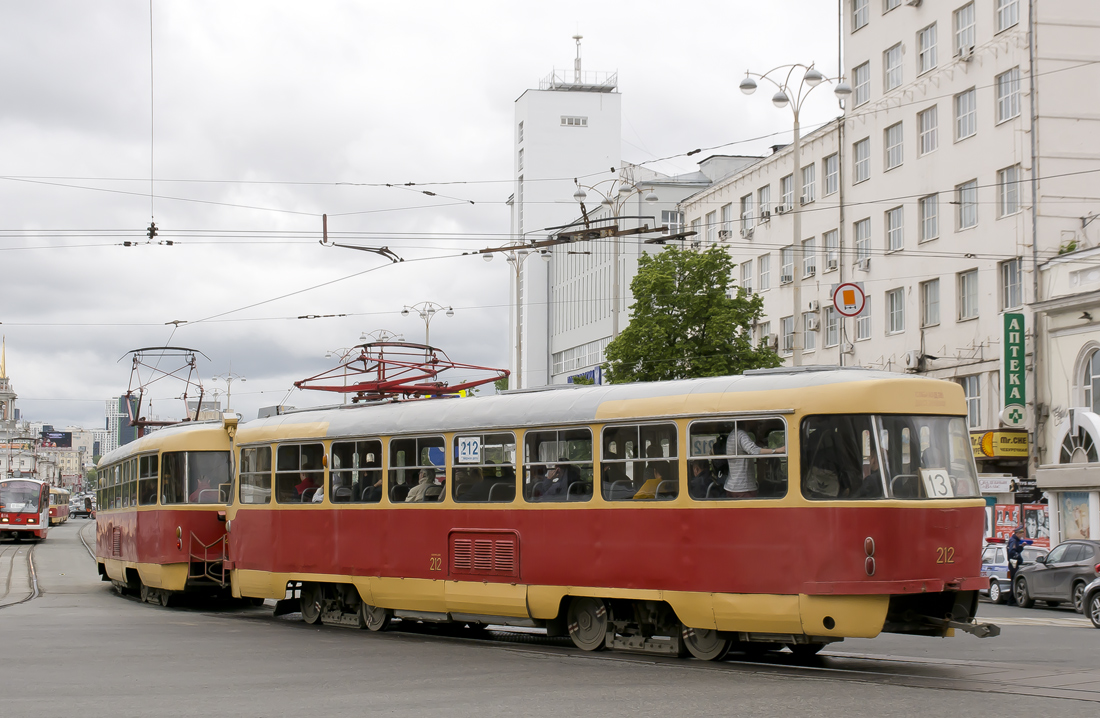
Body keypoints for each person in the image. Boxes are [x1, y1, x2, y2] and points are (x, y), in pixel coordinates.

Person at [725, 427, 784, 498]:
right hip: (743, 487)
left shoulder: (733, 434)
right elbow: (753, 450)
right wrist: (777, 450)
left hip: (732, 486)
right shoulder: (741, 434)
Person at [1006, 526, 1033, 605]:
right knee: (1014, 581)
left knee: (1014, 581)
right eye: (1021, 533)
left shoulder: (1015, 540)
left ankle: (1012, 600)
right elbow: (1012, 552)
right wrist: (1019, 559)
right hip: (1014, 563)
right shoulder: (1013, 541)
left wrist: (1021, 547)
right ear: (1017, 533)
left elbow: (1016, 550)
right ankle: (1011, 600)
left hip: (1014, 563)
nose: (1022, 535)